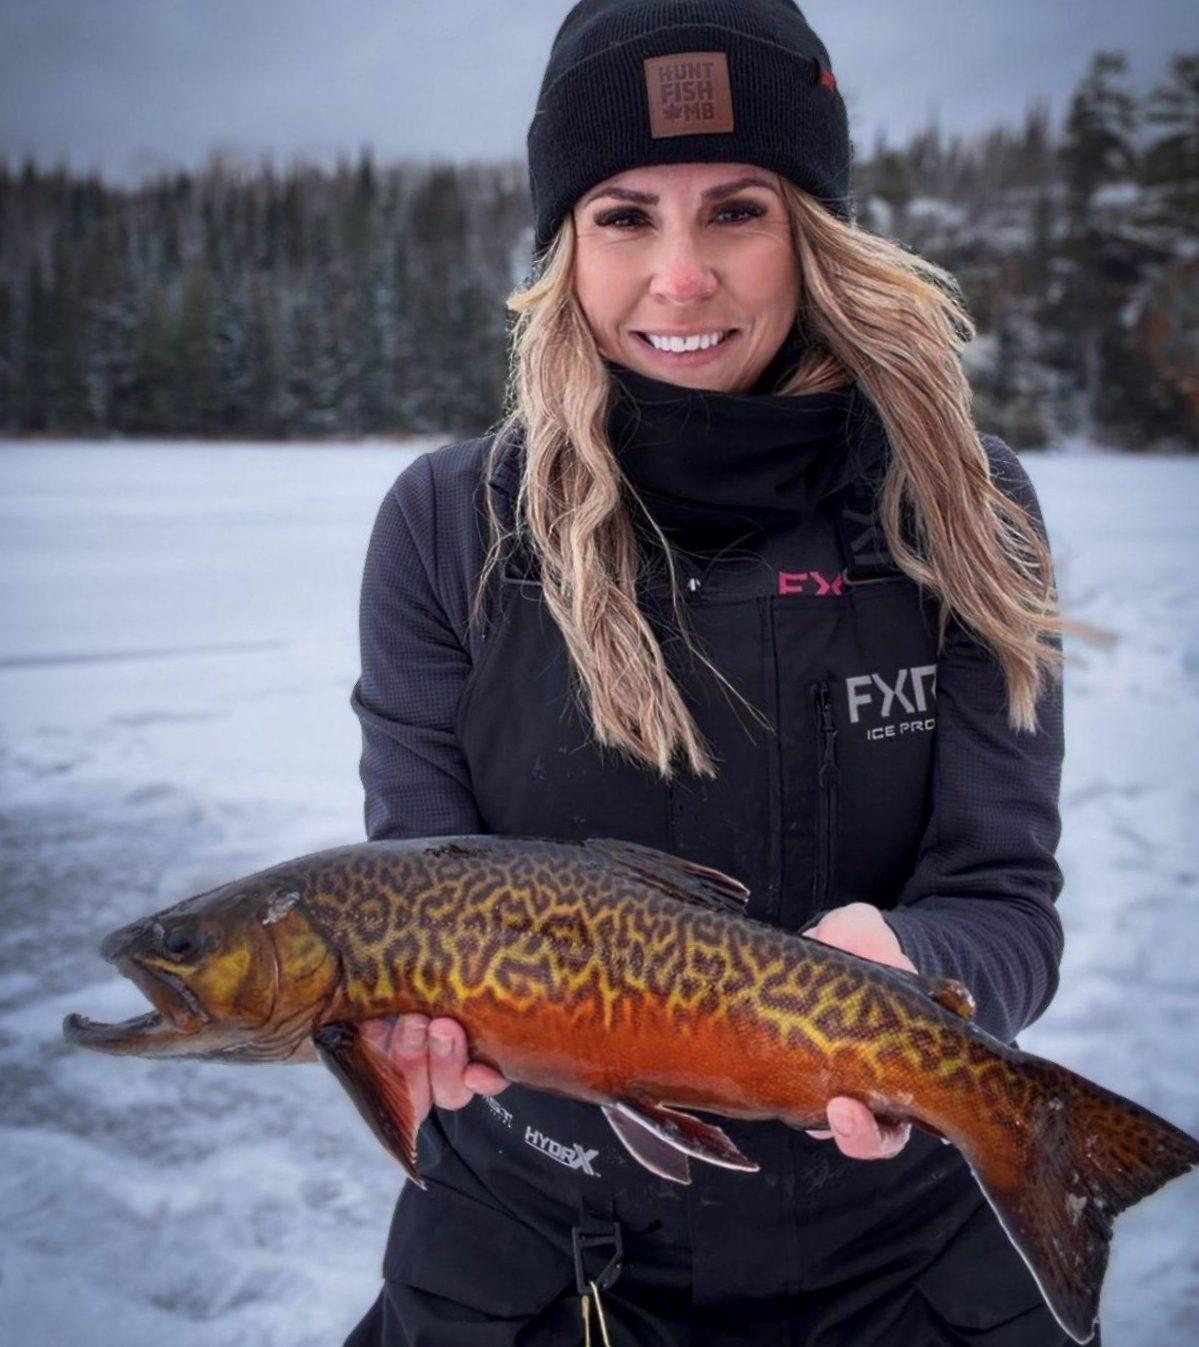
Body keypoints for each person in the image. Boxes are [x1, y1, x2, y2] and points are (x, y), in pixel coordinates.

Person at [343, 2, 1075, 1343]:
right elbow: (421, 885)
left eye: (737, 211)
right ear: (566, 245)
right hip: (534, 1256)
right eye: (624, 217)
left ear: (815, 232)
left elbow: (1005, 905)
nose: (680, 280)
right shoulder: (449, 527)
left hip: (903, 1261)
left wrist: (904, 968)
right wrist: (408, 1023)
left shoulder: (963, 507)